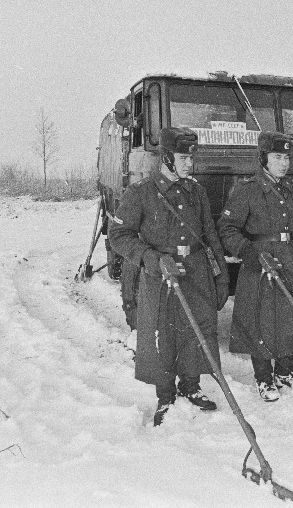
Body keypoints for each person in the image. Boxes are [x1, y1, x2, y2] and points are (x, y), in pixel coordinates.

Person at [109, 127, 229, 426]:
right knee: (162, 330)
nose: (190, 163)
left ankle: (191, 386)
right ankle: (165, 396)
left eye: (192, 157)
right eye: (183, 157)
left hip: (196, 270)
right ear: (166, 157)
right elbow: (119, 235)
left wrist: (220, 275)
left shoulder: (196, 192)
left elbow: (209, 234)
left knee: (195, 327)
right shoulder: (142, 193)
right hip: (159, 273)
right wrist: (152, 259)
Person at [217, 131, 293, 402]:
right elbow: (227, 229)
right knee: (260, 317)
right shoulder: (247, 189)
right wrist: (249, 253)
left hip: (292, 256)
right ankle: (263, 378)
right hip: (260, 260)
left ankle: (284, 372)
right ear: (263, 158)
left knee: (290, 313)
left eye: (286, 157)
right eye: (277, 157)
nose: (284, 163)